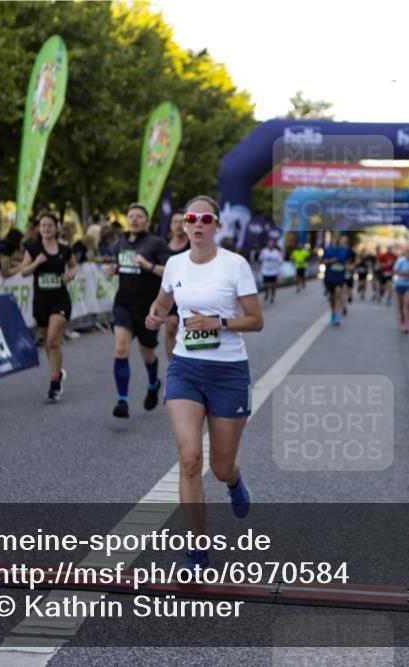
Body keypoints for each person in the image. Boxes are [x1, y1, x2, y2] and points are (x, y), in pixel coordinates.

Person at [145, 195, 263, 571]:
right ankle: (197, 550)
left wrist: (219, 323)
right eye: (191, 218)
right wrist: (155, 316)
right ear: (183, 225)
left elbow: (256, 320)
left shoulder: (235, 265)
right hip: (185, 369)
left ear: (216, 225)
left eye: (205, 218)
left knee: (219, 467)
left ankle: (234, 480)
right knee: (190, 460)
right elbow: (163, 303)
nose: (197, 224)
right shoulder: (175, 265)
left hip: (228, 371)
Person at [104, 203, 170, 419]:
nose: (134, 219)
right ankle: (122, 400)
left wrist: (148, 265)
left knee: (148, 353)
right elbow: (117, 267)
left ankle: (153, 383)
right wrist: (112, 270)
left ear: (147, 221)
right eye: (131, 216)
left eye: (139, 216)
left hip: (148, 308)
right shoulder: (120, 243)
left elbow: (169, 272)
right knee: (121, 349)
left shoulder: (156, 243)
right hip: (123, 304)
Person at [20, 212, 77, 402]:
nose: (46, 229)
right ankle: (57, 373)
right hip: (41, 303)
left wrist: (70, 275)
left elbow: (74, 266)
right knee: (48, 343)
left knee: (53, 340)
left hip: (60, 300)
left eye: (50, 225)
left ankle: (54, 383)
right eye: (43, 225)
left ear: (56, 227)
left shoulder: (65, 249)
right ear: (39, 228)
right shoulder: (33, 248)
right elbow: (23, 272)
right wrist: (36, 263)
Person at [165, 209, 190, 360]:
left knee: (189, 329)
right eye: (175, 222)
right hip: (170, 293)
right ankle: (172, 365)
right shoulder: (163, 246)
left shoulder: (193, 245)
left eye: (182, 222)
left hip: (190, 293)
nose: (178, 225)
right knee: (171, 326)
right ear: (170, 226)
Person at [321, 236, 351, 326]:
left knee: (338, 294)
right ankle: (333, 312)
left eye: (339, 240)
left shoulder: (345, 250)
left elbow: (348, 262)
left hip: (340, 277)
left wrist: (348, 267)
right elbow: (322, 261)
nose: (338, 242)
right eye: (336, 240)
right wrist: (330, 261)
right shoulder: (328, 250)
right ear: (333, 241)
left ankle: (337, 316)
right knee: (332, 297)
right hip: (329, 277)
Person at [393, 244, 409, 334]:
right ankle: (402, 318)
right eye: (408, 252)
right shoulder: (400, 260)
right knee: (401, 306)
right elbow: (395, 271)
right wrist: (402, 273)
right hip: (400, 284)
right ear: (405, 253)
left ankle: (406, 325)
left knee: (407, 304)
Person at [258, 238, 284, 304]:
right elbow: (260, 260)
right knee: (266, 285)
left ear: (274, 244)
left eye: (272, 243)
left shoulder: (277, 252)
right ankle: (266, 292)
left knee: (273, 286)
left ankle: (272, 296)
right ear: (268, 244)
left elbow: (280, 261)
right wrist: (260, 268)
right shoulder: (264, 251)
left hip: (274, 272)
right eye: (270, 243)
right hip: (265, 271)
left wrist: (279, 270)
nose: (271, 244)